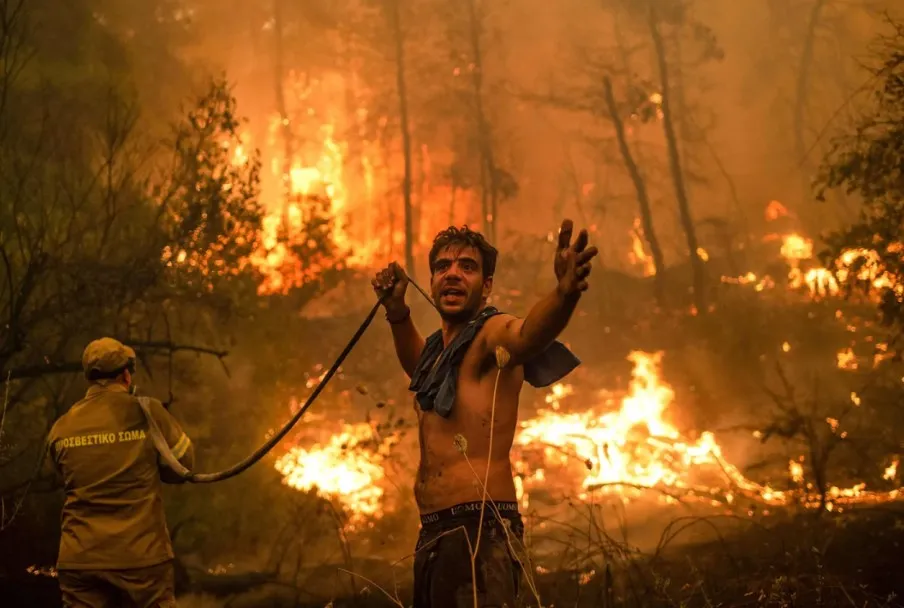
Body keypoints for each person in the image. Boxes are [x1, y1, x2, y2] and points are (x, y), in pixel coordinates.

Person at [372, 219, 598, 607]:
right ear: (431, 282)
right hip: (434, 532)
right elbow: (418, 370)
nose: (453, 274)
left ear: (487, 285)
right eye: (443, 267)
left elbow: (526, 335)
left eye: (467, 266)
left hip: (481, 528)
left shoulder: (490, 334)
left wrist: (564, 295)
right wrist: (397, 312)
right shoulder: (437, 353)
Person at [46, 337, 194, 608]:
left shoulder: (61, 427)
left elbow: (62, 478)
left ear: (89, 378)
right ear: (126, 375)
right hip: (142, 560)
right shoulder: (148, 412)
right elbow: (184, 466)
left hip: (80, 560)